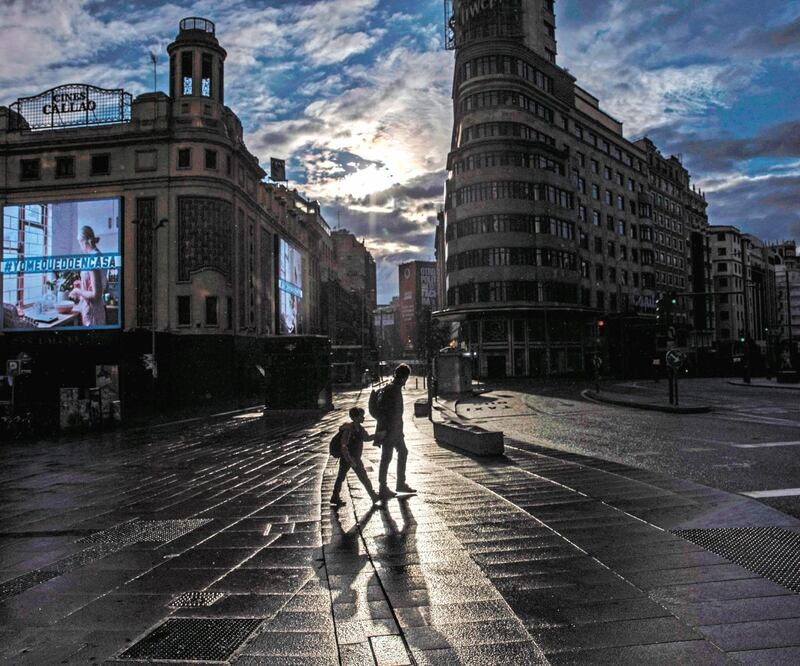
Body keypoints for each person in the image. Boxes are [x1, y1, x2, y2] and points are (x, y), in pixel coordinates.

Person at [376, 363, 416, 499]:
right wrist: (389, 430)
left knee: (399, 453)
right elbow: (392, 413)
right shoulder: (393, 390)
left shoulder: (392, 388)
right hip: (390, 431)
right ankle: (384, 487)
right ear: (404, 377)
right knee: (386, 457)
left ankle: (399, 483)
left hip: (394, 430)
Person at [330, 407, 380, 506]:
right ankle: (373, 495)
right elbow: (344, 446)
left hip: (355, 457)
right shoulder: (348, 430)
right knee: (351, 477)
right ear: (356, 417)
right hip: (349, 458)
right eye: (362, 415)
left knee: (350, 477)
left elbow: (366, 438)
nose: (363, 417)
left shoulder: (360, 429)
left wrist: (378, 435)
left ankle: (335, 497)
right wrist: (350, 460)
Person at [68, 225, 106, 327]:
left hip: (92, 312)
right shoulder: (99, 255)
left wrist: (77, 291)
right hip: (96, 310)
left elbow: (96, 295)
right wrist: (82, 284)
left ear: (84, 241)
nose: (80, 246)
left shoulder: (92, 258)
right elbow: (95, 284)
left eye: (79, 242)